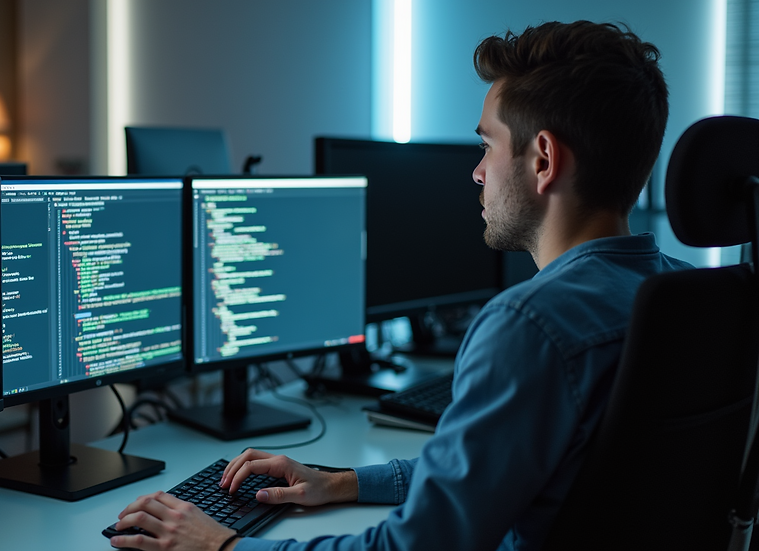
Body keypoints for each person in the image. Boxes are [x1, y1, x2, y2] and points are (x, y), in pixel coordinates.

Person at [108, 20, 694, 551]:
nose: (477, 171)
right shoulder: (684, 296)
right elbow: (499, 471)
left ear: (543, 160)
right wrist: (341, 483)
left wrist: (220, 546)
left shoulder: (531, 326)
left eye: (487, 145)